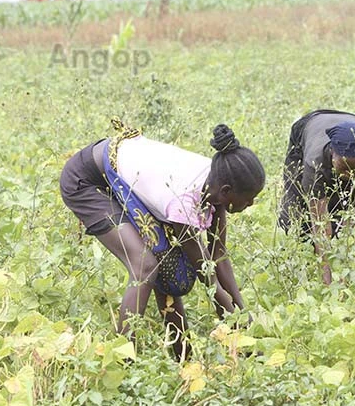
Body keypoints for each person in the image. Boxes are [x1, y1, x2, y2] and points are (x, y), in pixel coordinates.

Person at [60, 119, 265, 361]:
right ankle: (121, 363)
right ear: (227, 191)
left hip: (126, 178)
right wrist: (239, 331)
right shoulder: (183, 201)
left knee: (167, 262)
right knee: (145, 265)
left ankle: (183, 358)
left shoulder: (217, 184)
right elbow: (208, 278)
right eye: (249, 198)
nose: (250, 205)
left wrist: (242, 309)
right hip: (87, 180)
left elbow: (218, 254)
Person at [279, 109, 355, 284]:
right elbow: (320, 225)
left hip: (352, 121)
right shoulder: (315, 161)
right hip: (307, 130)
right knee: (294, 220)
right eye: (344, 168)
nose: (351, 176)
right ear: (332, 154)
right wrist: (327, 277)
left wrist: (352, 260)